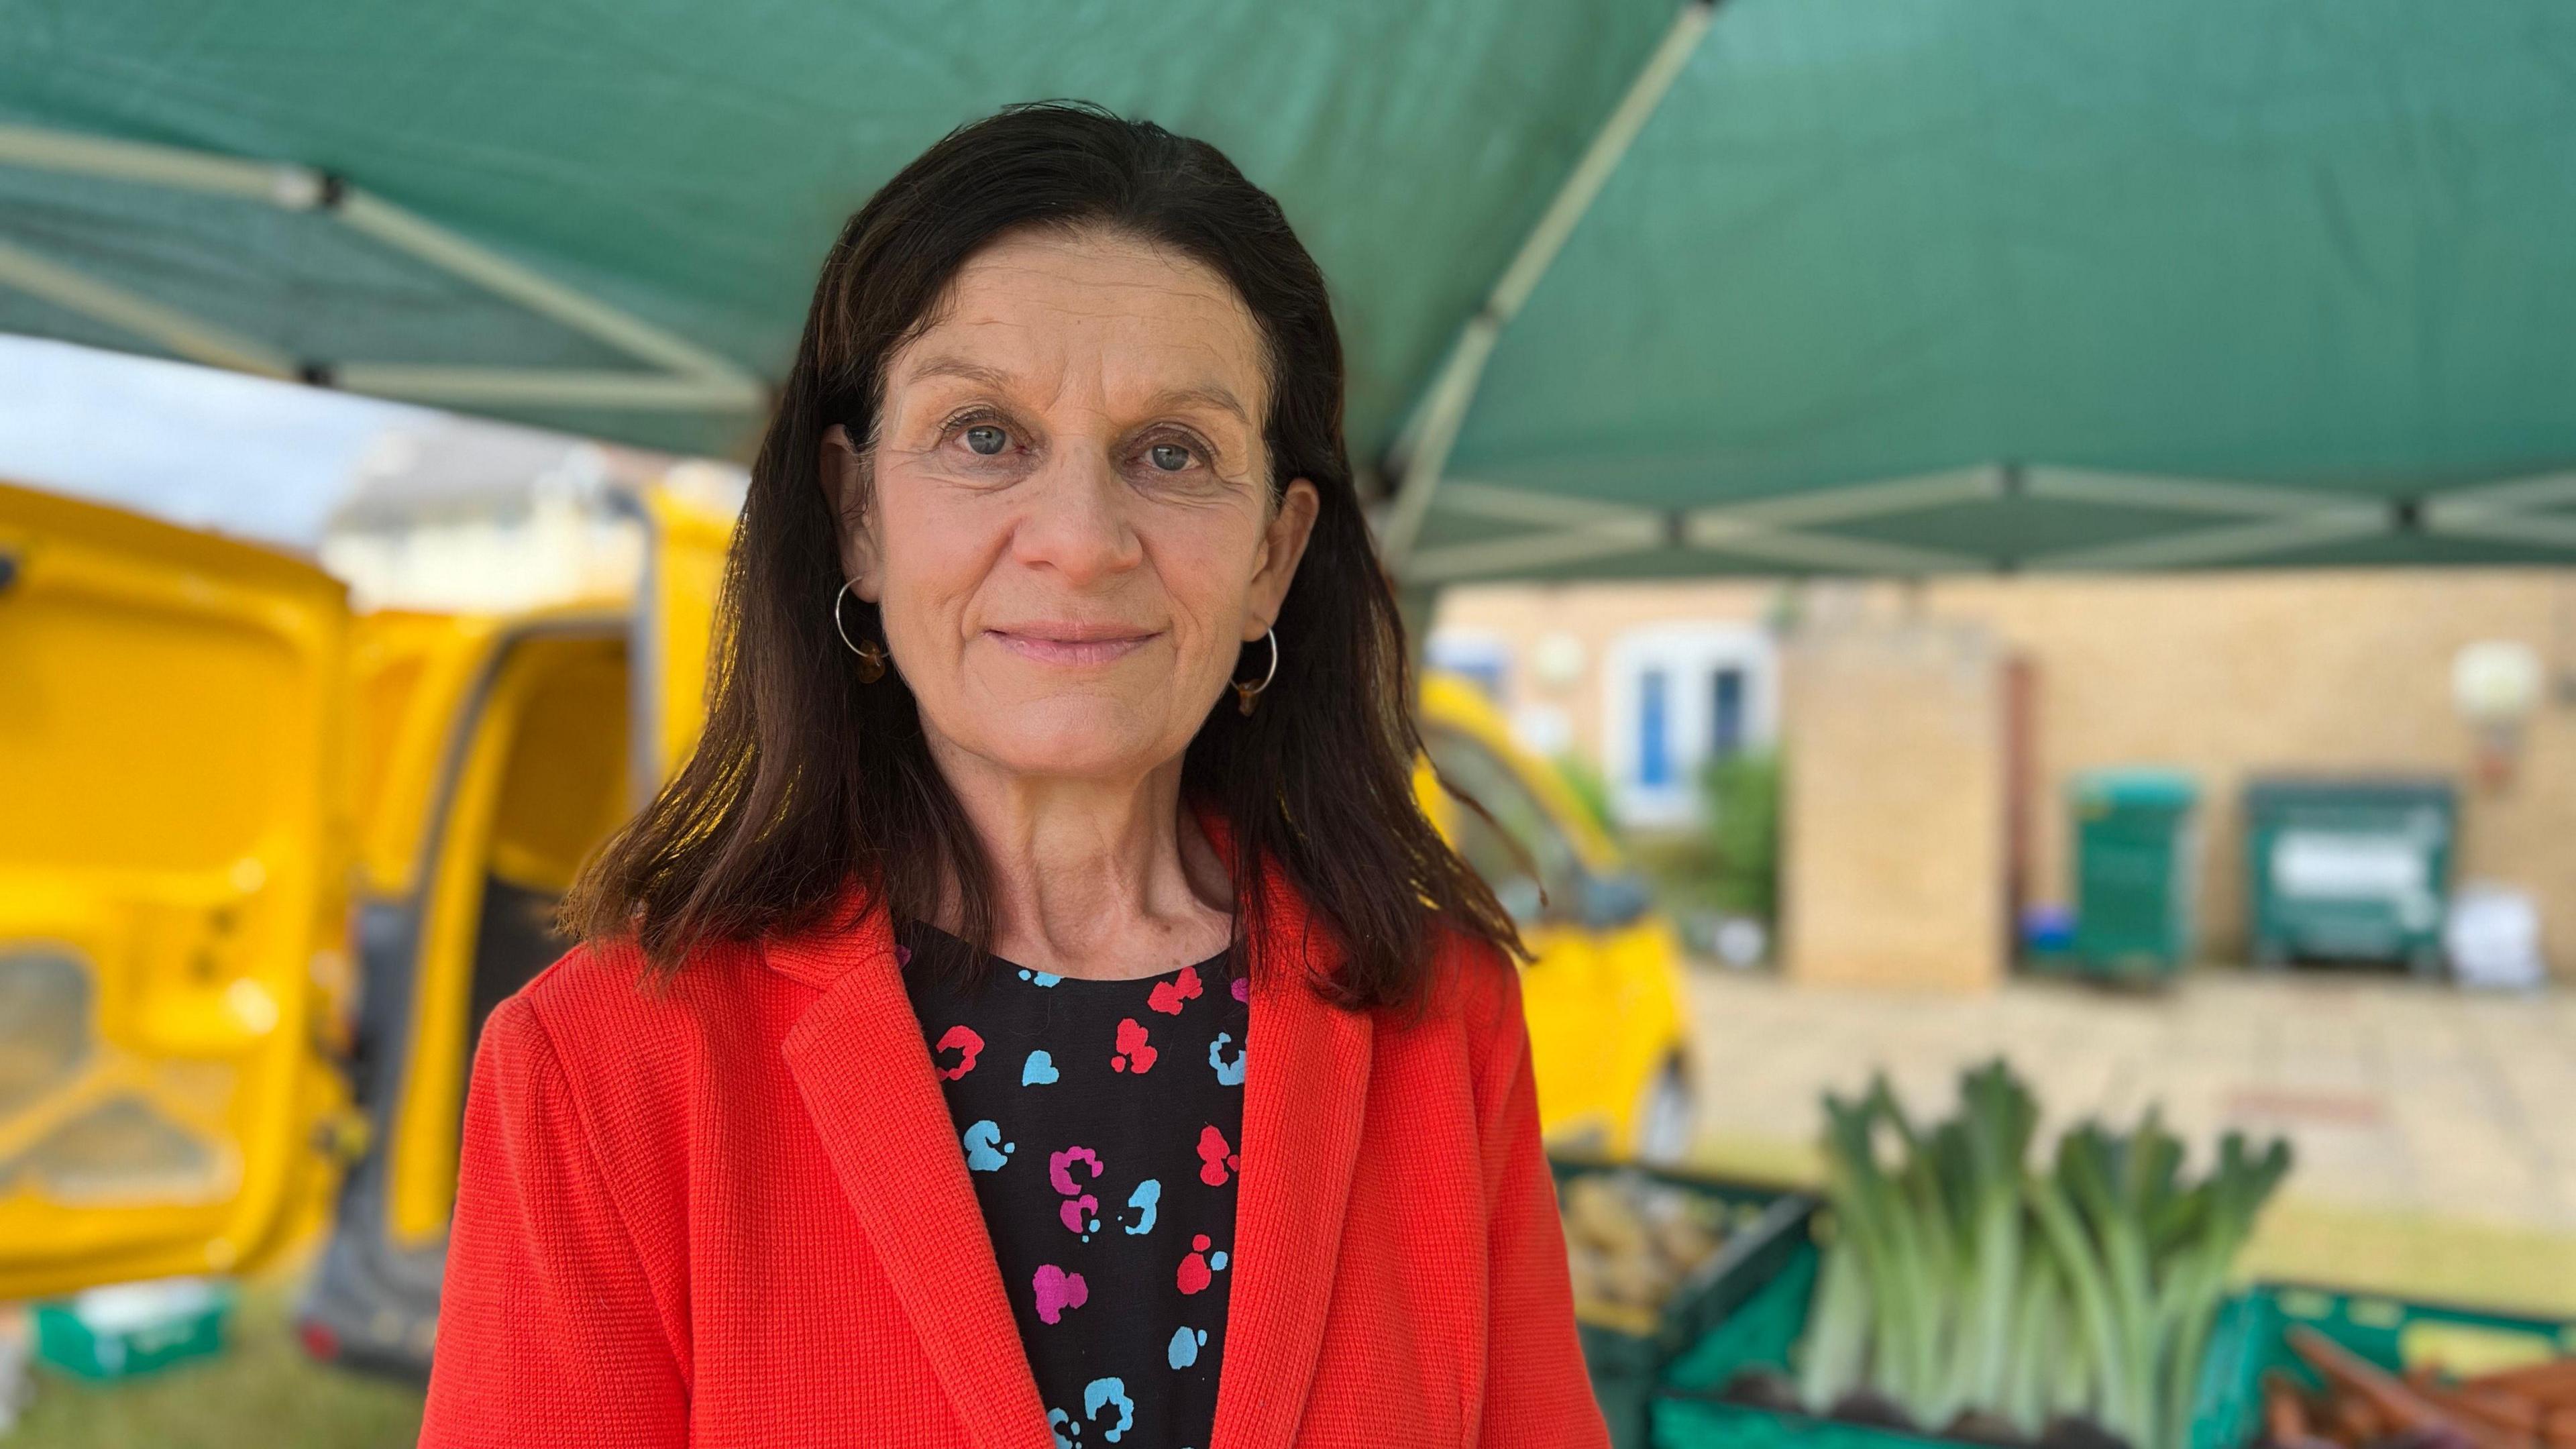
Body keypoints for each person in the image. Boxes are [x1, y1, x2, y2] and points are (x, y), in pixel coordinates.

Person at [419, 101, 1607, 1449]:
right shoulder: (606, 1064)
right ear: (858, 514)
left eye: (1173, 453)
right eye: (985, 436)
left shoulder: (1441, 1023)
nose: (1081, 537)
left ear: (1273, 556)